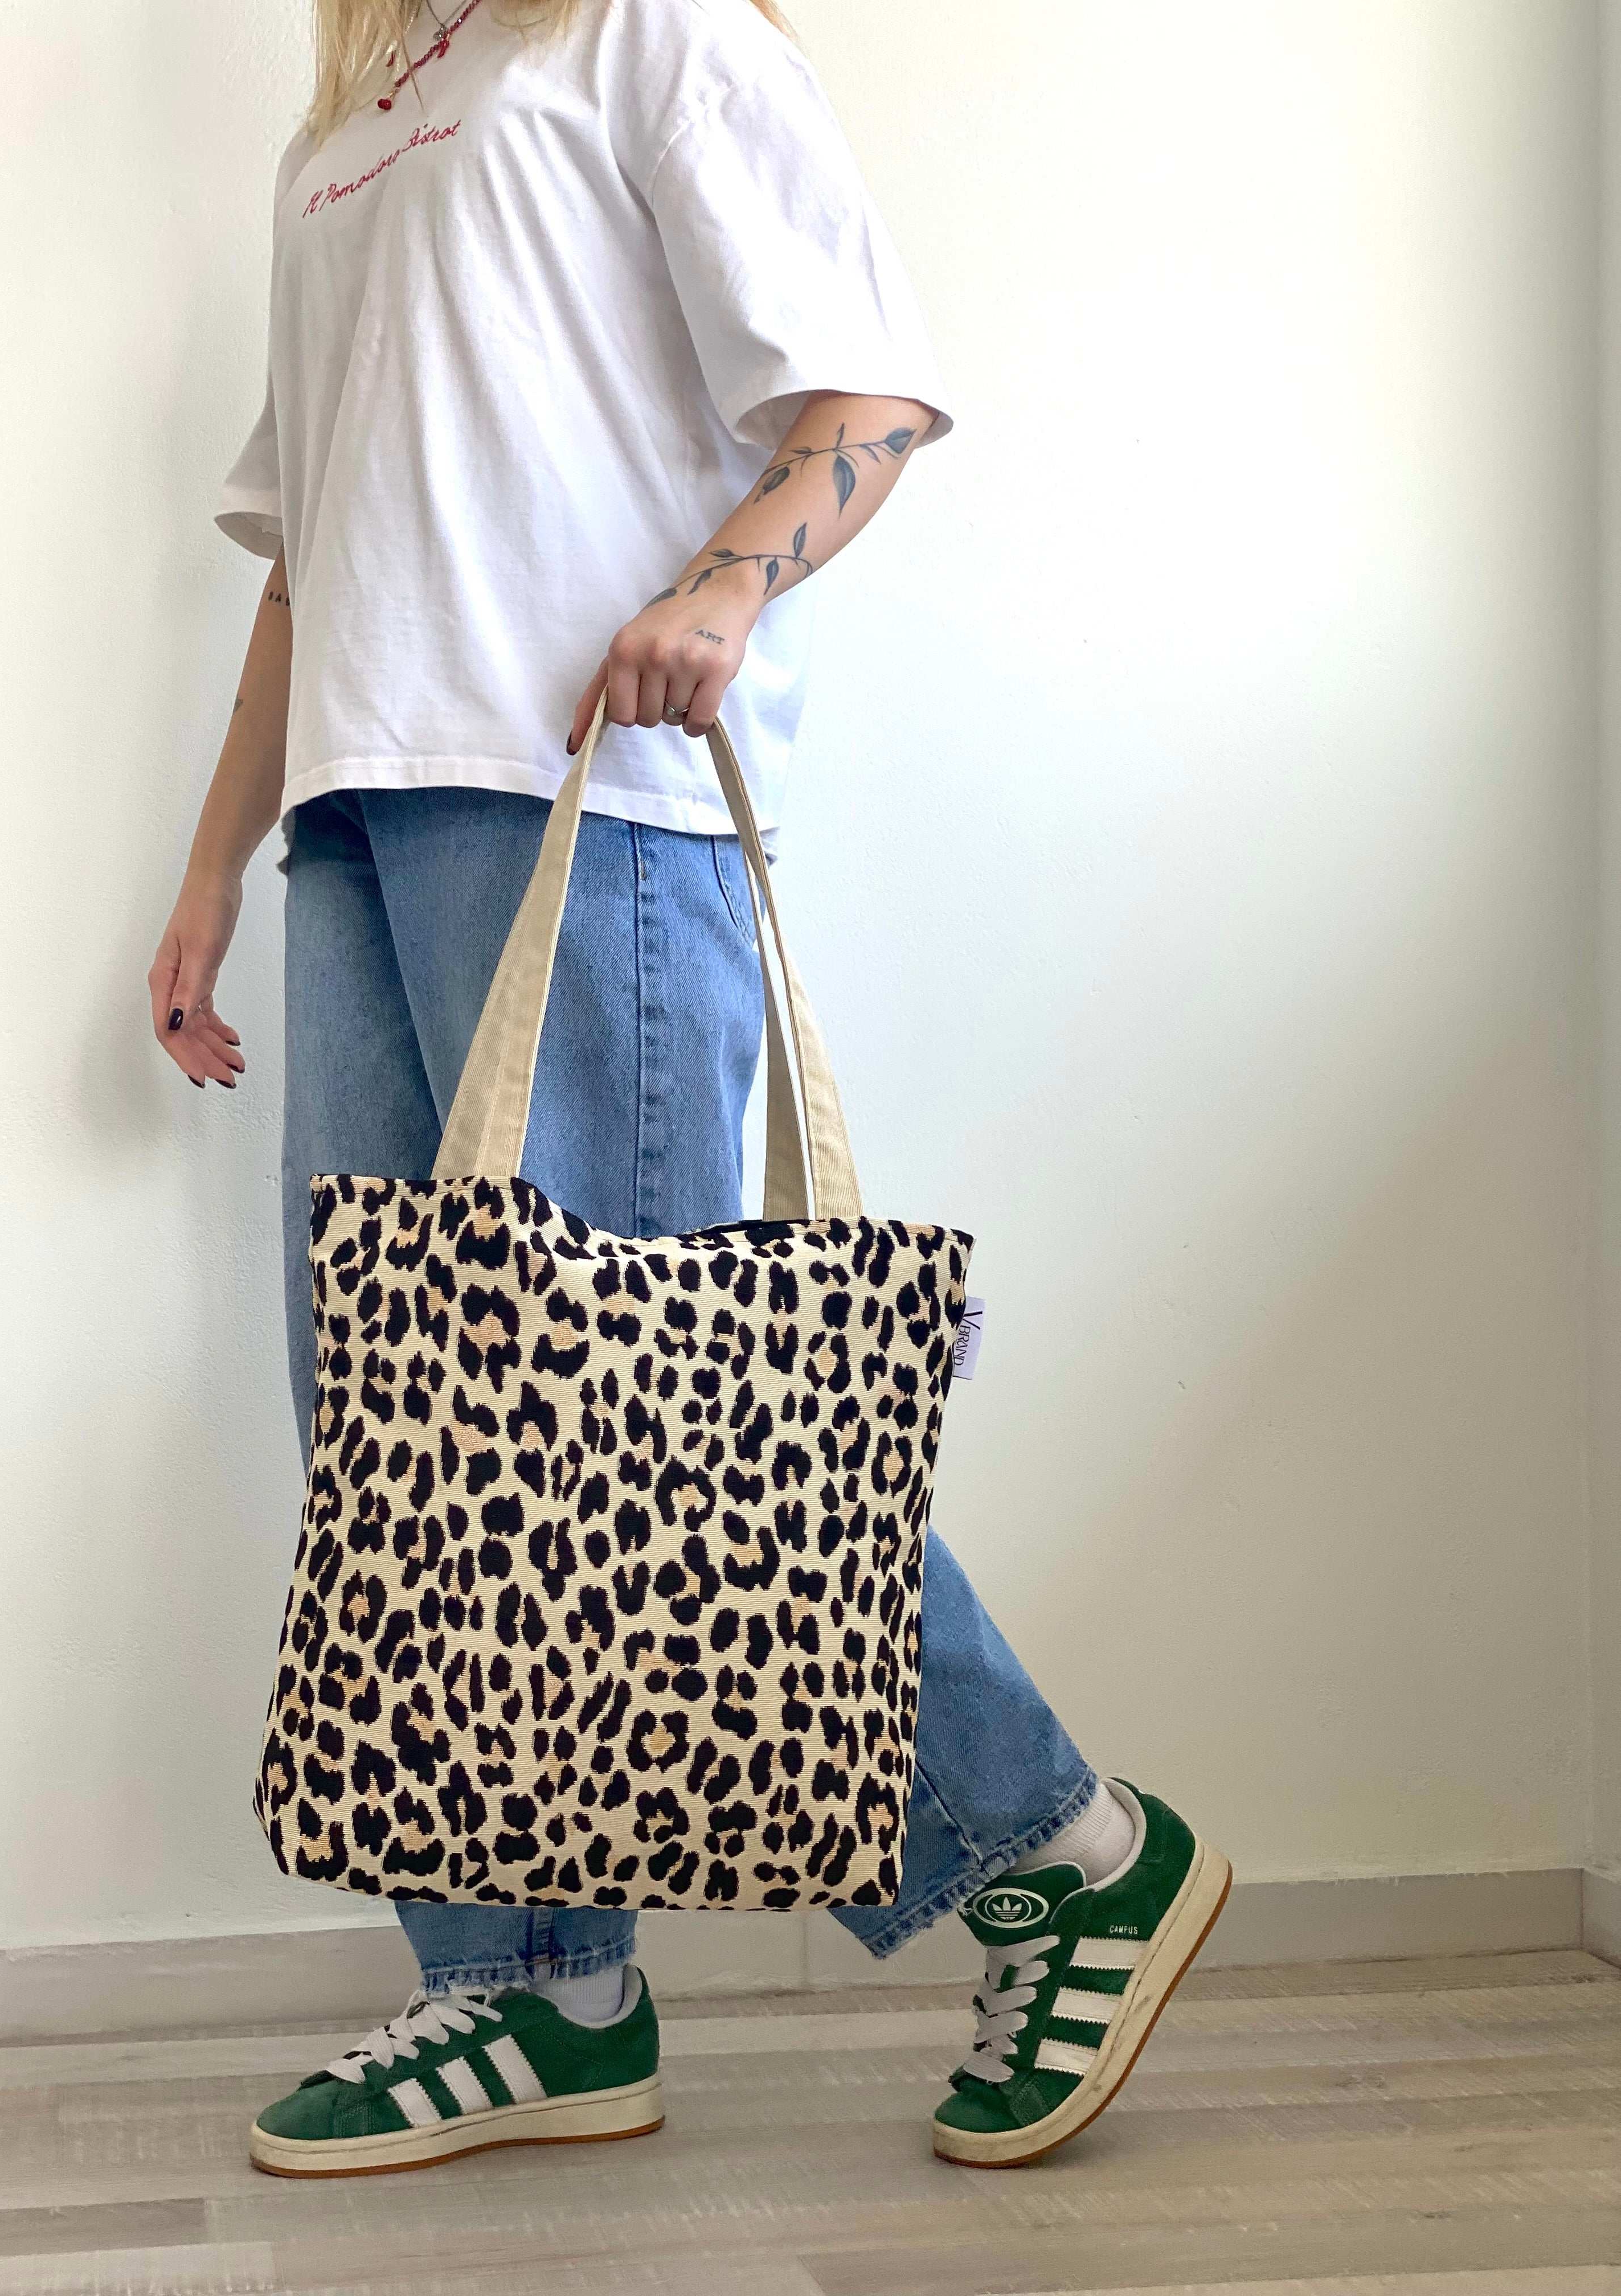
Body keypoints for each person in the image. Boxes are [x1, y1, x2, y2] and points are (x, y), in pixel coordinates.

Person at [152, 0, 1230, 2179]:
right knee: (408, 1445)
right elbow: (310, 542)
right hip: (363, 823)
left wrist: (727, 578)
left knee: (650, 1434)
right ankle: (535, 1995)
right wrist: (205, 868)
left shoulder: (644, 30)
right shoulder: (354, 111)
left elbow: (870, 394)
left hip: (595, 810)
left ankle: (1064, 1852)